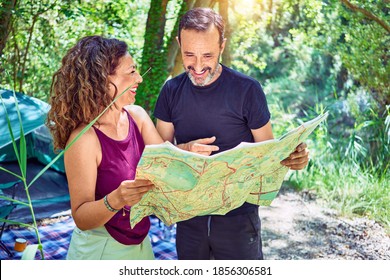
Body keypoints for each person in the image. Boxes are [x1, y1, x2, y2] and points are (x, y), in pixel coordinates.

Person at [154, 8, 309, 260]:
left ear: (222, 46)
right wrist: (184, 149)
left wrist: (294, 158)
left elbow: (268, 154)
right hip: (189, 216)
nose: (198, 66)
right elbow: (158, 156)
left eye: (208, 55)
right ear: (179, 44)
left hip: (238, 218)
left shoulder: (247, 90)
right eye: (189, 55)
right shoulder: (171, 91)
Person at [46, 35, 163, 260]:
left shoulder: (136, 116)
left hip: (141, 243)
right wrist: (116, 199)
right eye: (130, 72)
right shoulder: (84, 139)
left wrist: (189, 151)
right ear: (102, 80)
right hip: (101, 249)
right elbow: (81, 217)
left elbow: (167, 161)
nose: (139, 78)